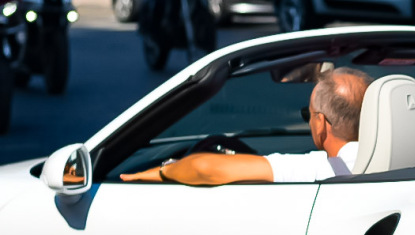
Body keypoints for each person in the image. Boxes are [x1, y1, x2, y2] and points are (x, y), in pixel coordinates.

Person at [121, 67, 372, 185]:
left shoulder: (321, 169)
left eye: (309, 113)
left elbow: (205, 167)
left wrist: (165, 170)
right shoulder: (407, 160)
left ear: (321, 124)